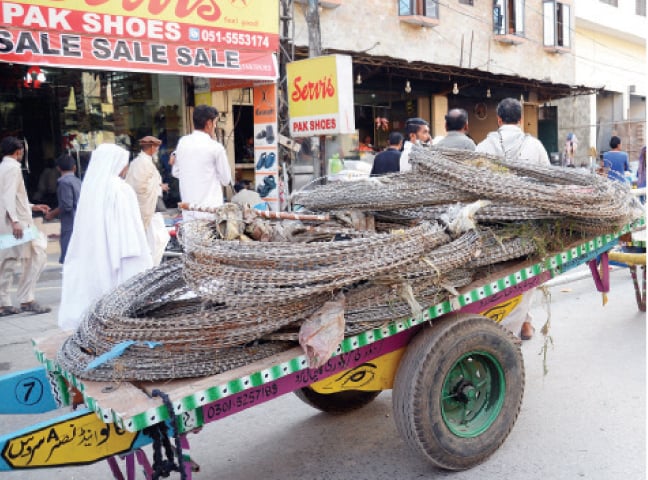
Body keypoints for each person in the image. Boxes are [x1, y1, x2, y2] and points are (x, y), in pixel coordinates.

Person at [476, 98, 550, 341]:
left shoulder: (483, 147)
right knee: (525, 276)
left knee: (495, 276)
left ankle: (520, 323)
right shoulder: (535, 146)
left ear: (498, 119)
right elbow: (547, 182)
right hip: (527, 223)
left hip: (492, 224)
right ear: (520, 119)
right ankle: (515, 329)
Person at [58, 143, 152, 331]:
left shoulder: (91, 189)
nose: (126, 168)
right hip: (122, 250)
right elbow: (128, 230)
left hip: (96, 251)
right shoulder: (120, 189)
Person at [0, 136, 51, 316]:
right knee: (38, 253)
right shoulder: (12, 168)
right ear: (18, 151)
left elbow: (11, 198)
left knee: (8, 261)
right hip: (19, 223)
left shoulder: (3, 167)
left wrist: (32, 206)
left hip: (12, 222)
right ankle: (26, 299)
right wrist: (15, 221)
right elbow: (7, 197)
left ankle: (5, 302)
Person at [173, 105, 232, 221]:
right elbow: (226, 179)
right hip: (209, 213)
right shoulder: (215, 147)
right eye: (215, 123)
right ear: (209, 123)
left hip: (188, 213)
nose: (215, 127)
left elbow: (176, 172)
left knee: (190, 239)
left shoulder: (182, 143)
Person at [125, 136, 170, 265]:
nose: (156, 150)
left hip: (150, 206)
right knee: (157, 239)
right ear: (151, 147)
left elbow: (146, 183)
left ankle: (151, 265)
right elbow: (140, 187)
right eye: (156, 147)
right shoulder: (142, 163)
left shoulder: (140, 162)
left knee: (157, 239)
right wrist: (157, 186)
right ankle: (151, 266)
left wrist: (158, 185)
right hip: (148, 208)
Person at [44, 153, 82, 263]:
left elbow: (67, 206)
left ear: (58, 168)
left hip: (70, 225)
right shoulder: (78, 182)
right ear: (74, 168)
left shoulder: (64, 183)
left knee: (70, 259)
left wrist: (52, 214)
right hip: (78, 223)